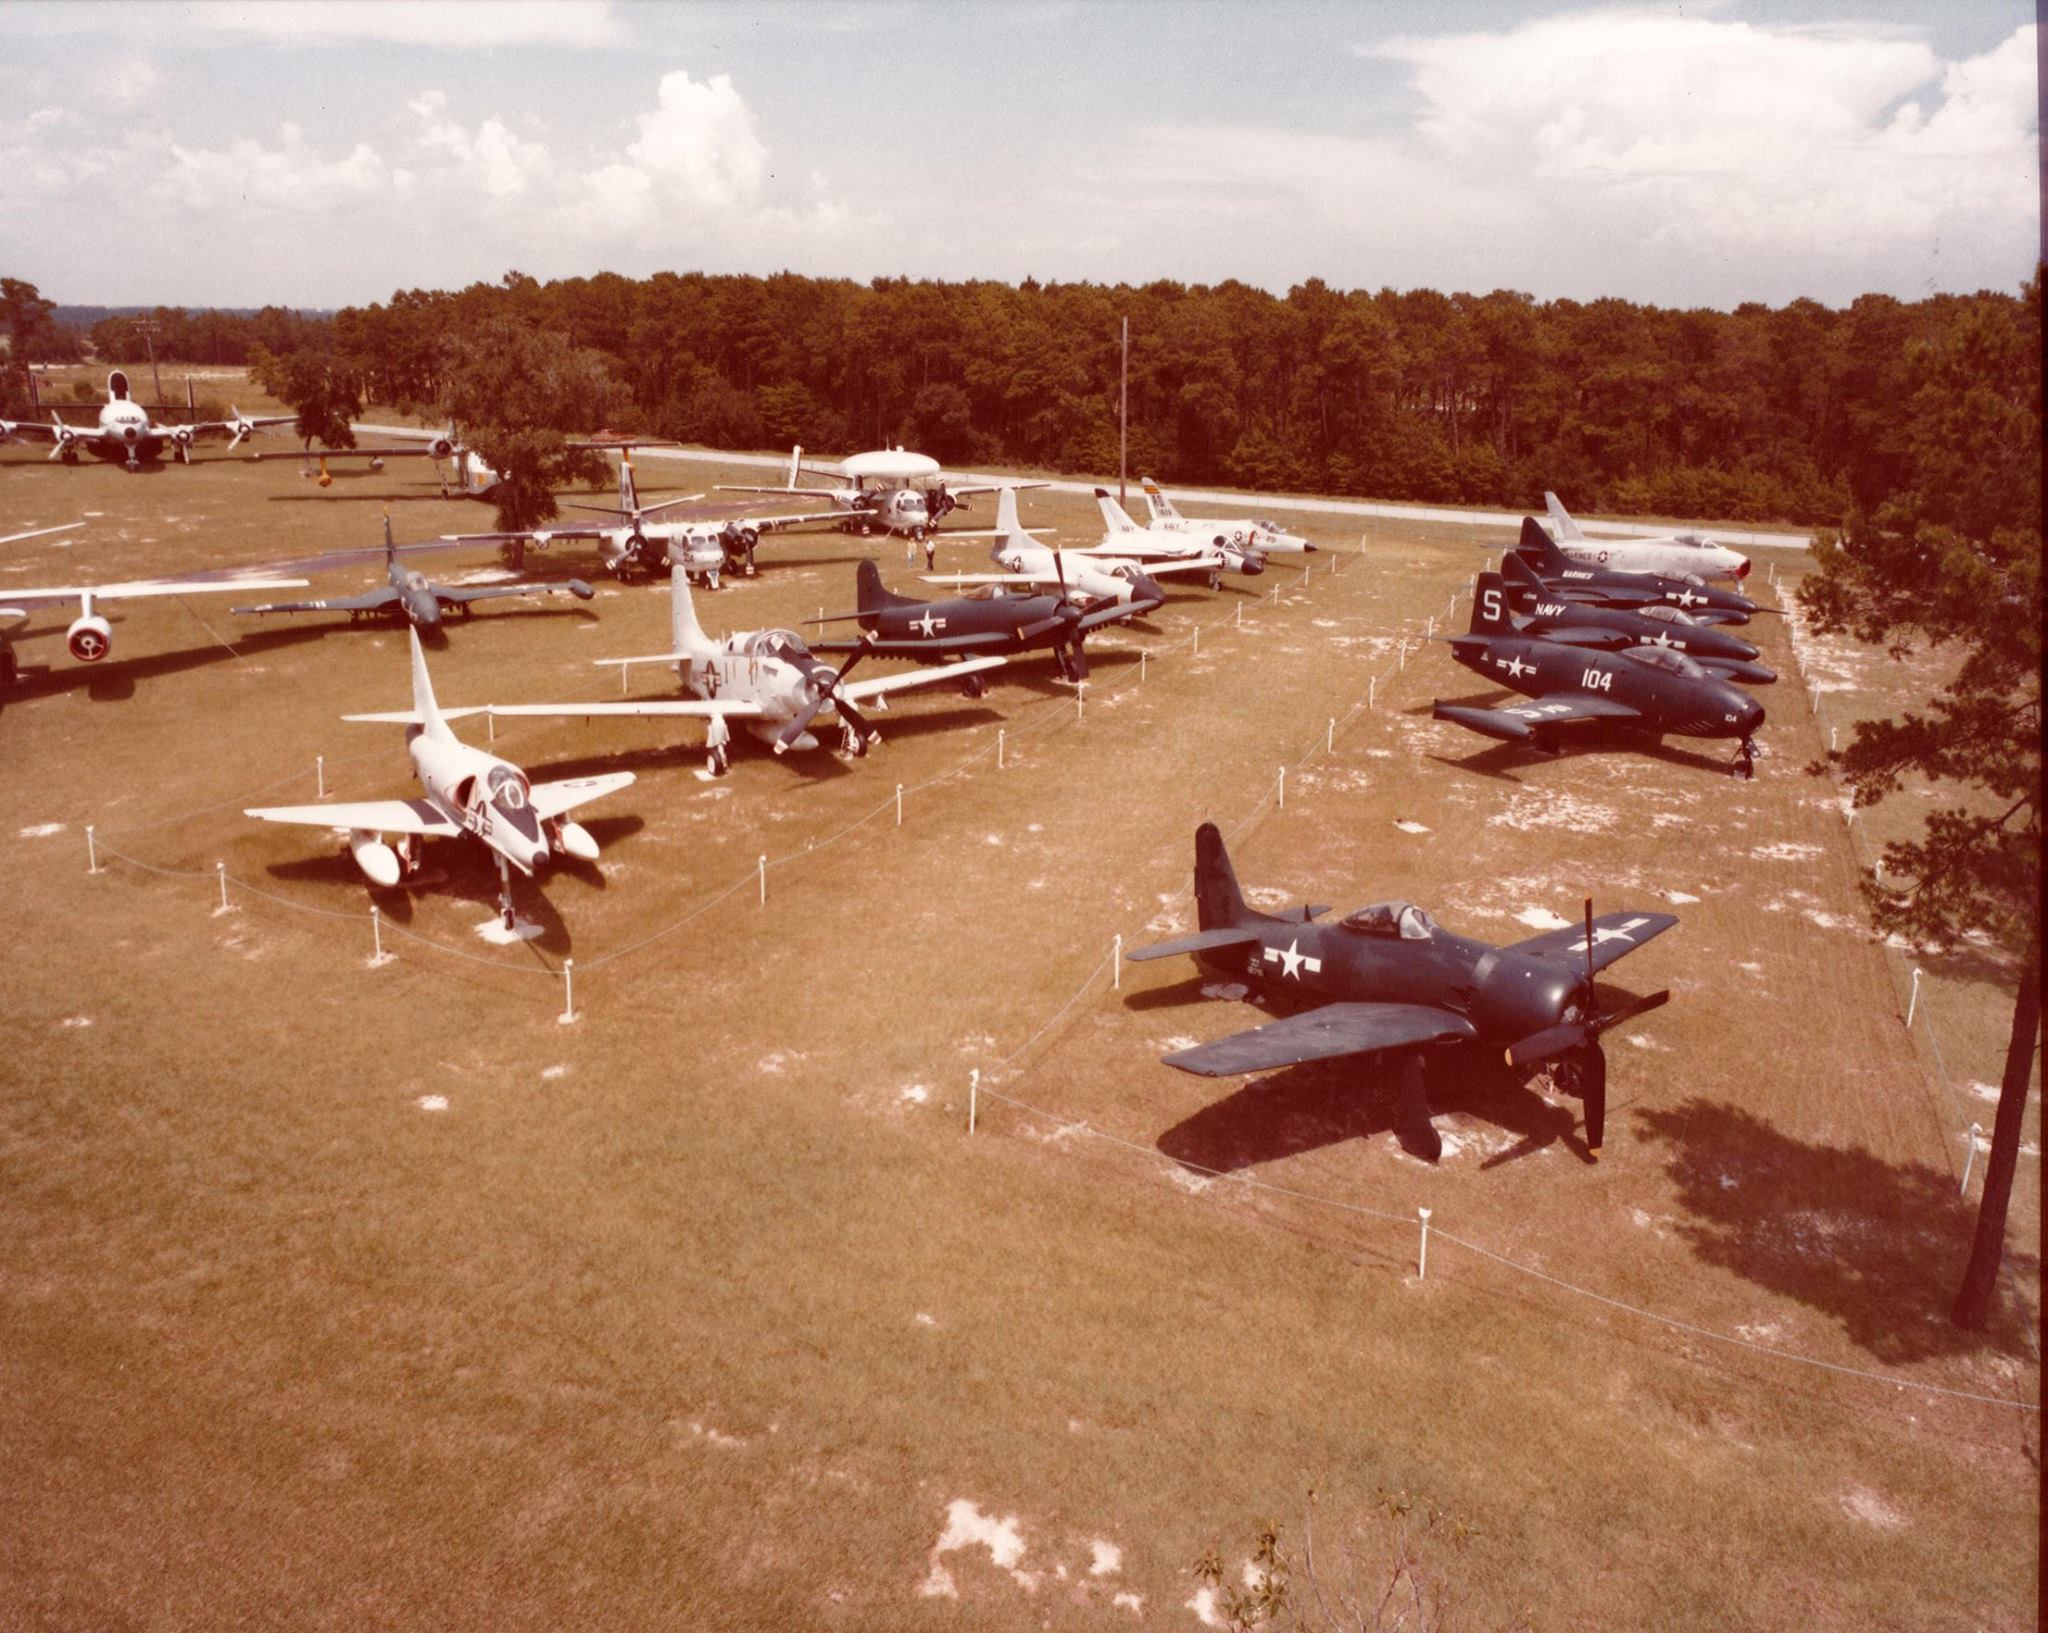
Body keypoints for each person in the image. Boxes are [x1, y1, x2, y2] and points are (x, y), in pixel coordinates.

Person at [705, 710, 731, 778]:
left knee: (720, 747)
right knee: (721, 747)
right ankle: (724, 766)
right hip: (720, 722)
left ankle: (723, 766)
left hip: (717, 723)